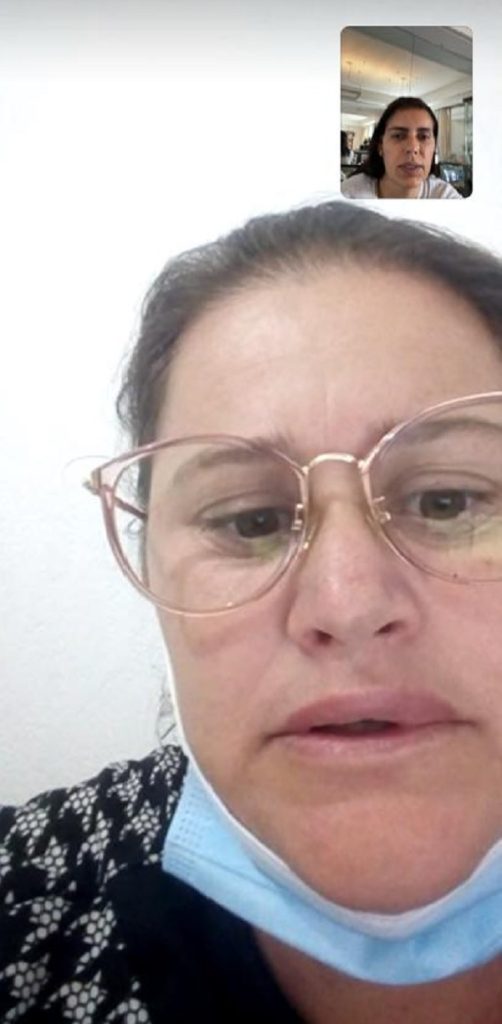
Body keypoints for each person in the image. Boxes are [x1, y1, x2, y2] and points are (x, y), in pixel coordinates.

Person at [2, 200, 502, 1023]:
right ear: (149, 562)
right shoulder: (27, 906)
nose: (347, 604)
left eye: (446, 501)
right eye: (251, 521)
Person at [341, 96, 462, 199]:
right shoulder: (348, 195)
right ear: (380, 146)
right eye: (398, 136)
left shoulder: (444, 196)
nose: (413, 148)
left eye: (424, 137)